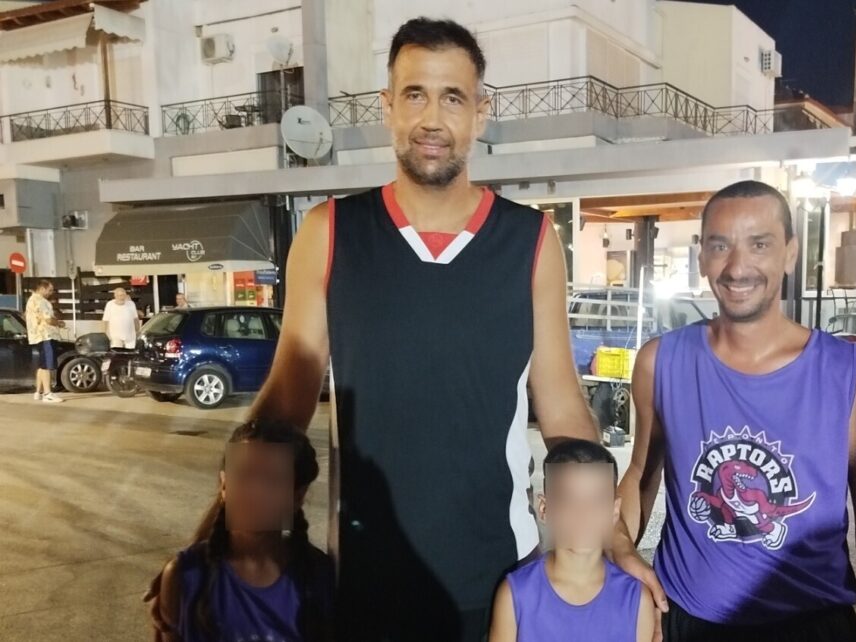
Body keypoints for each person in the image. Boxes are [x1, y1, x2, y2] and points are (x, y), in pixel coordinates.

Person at [146, 17, 600, 642]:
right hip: (363, 583)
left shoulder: (532, 241)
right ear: (387, 108)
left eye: (453, 98)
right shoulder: (330, 233)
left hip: (501, 580)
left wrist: (611, 541)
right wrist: (208, 541)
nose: (432, 119)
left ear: (481, 114)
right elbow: (282, 408)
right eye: (415, 95)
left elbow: (563, 407)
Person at [611, 180, 856, 641]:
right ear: (701, 257)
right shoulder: (660, 361)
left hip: (812, 626)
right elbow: (639, 474)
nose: (737, 267)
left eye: (759, 244)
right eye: (720, 246)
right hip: (689, 621)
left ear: (790, 253)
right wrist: (617, 544)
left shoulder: (850, 372)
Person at [153, 419, 334, 642]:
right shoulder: (186, 574)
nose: (254, 492)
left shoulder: (318, 577)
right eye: (244, 475)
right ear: (224, 485)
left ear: (298, 496)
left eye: (271, 480)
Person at [489, 439, 655, 642]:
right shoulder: (515, 595)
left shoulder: (637, 600)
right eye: (569, 500)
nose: (583, 514)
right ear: (544, 508)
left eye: (596, 500)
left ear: (614, 510)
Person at [25, 280, 64, 403]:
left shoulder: (31, 300)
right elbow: (48, 319)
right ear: (42, 289)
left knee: (42, 365)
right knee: (47, 365)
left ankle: (38, 392)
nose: (51, 293)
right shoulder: (41, 301)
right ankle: (48, 393)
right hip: (46, 335)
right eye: (49, 290)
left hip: (37, 335)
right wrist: (59, 323)